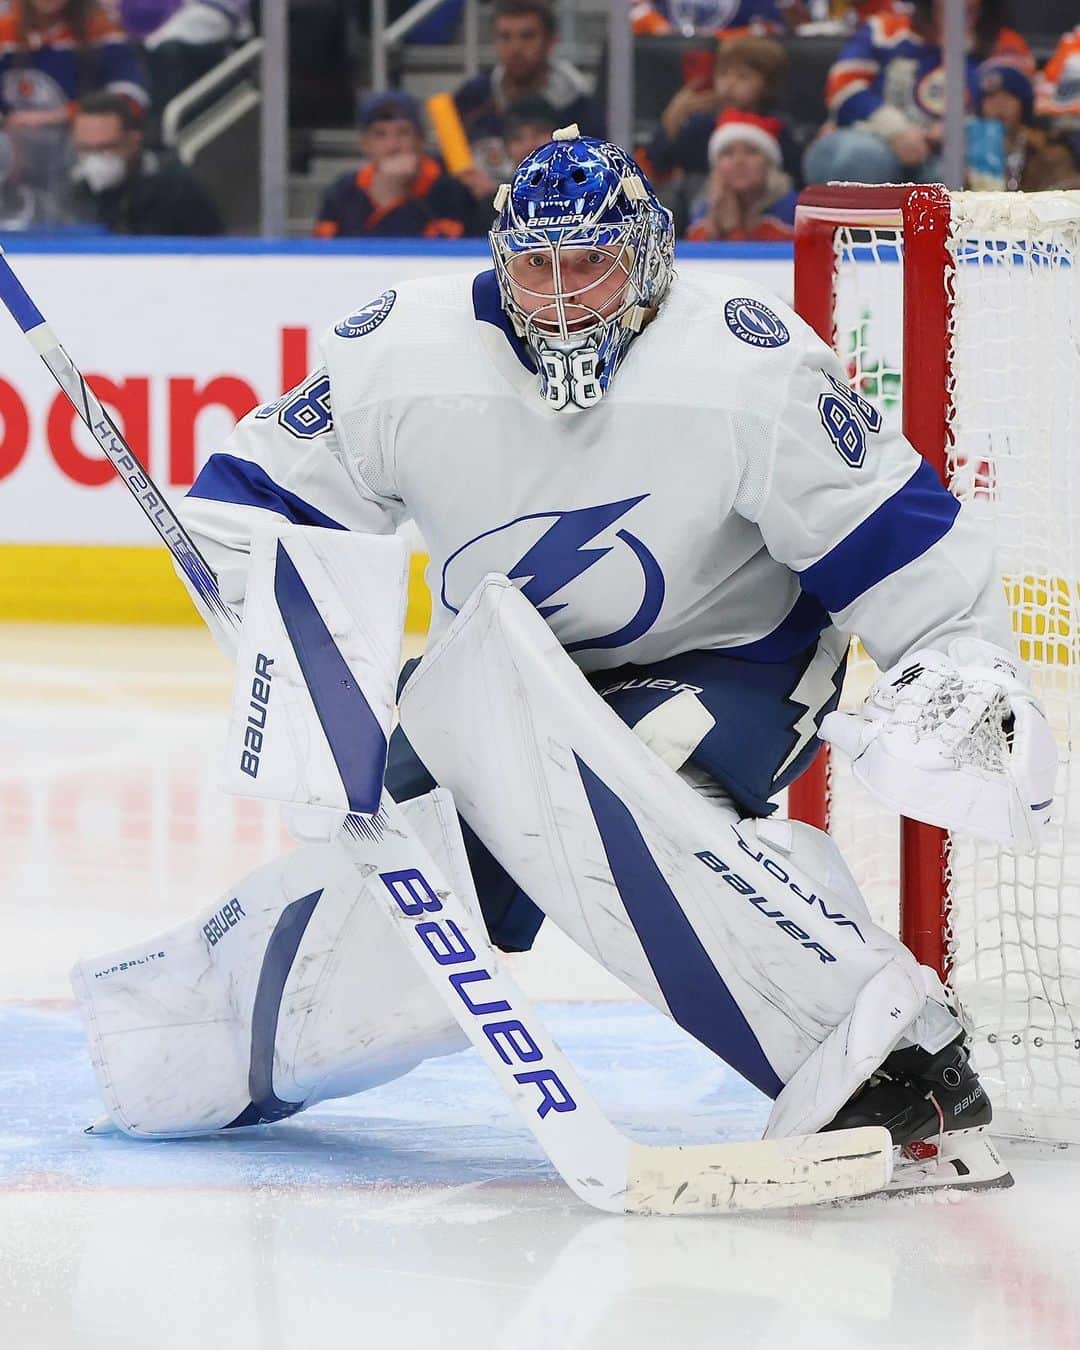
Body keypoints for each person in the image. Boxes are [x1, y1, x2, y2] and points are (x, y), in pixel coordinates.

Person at [76, 128, 1054, 1196]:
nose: (559, 296)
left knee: (616, 775)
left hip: (729, 666)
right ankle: (193, 1038)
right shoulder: (400, 350)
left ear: (647, 258)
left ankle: (892, 1044)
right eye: (535, 266)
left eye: (589, 263)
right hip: (495, 683)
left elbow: (900, 539)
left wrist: (961, 669)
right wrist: (260, 601)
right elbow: (251, 498)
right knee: (404, 879)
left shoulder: (748, 361)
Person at [805, 0, 1032, 186]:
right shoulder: (884, 29)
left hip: (948, 153)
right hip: (872, 138)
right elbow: (843, 90)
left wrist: (958, 130)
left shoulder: (1004, 45)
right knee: (862, 156)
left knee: (954, 176)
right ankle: (857, 240)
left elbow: (1009, 113)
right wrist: (896, 130)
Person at [0, 0, 148, 205]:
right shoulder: (5, 34)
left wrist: (63, 115)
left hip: (84, 151)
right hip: (17, 155)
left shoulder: (102, 31)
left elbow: (131, 97)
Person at [314, 90, 476, 240]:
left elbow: (444, 254)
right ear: (365, 144)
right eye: (380, 135)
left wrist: (392, 198)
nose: (392, 146)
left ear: (420, 139)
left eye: (403, 132)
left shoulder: (452, 191)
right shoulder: (343, 191)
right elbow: (324, 253)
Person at [647, 35, 800, 187]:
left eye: (742, 77)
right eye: (723, 74)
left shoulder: (778, 128)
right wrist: (671, 120)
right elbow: (660, 163)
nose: (729, 84)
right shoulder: (703, 125)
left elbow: (793, 177)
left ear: (768, 85)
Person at [69, 88, 223, 233]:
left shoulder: (177, 192)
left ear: (133, 142)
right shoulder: (73, 192)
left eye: (106, 147)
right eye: (86, 149)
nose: (95, 158)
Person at [453, 0, 604, 146]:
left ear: (551, 42)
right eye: (505, 37)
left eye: (527, 36)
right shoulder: (472, 99)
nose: (515, 48)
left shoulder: (581, 109)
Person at [685, 109, 796, 239]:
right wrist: (713, 226)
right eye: (728, 153)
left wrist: (733, 228)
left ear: (769, 164)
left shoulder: (791, 211)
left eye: (751, 152)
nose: (739, 161)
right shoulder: (703, 209)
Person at [976, 58, 1078, 193]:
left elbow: (1065, 193)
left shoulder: (1048, 151)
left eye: (1008, 96)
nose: (999, 105)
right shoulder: (965, 151)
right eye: (991, 97)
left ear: (1023, 105)